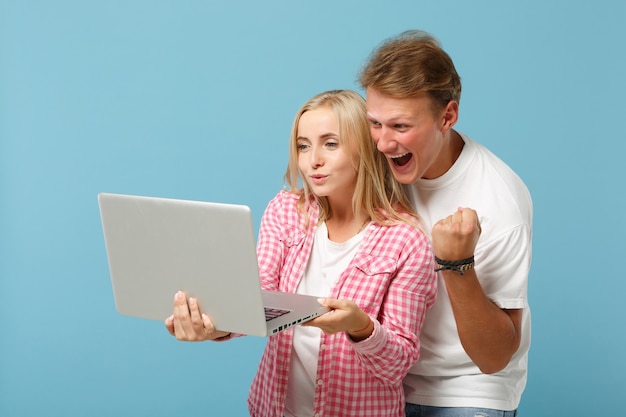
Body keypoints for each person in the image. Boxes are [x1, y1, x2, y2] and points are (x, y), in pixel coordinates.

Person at [164, 89, 438, 417]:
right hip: (275, 408)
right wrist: (214, 326)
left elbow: (397, 363)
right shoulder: (285, 211)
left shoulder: (407, 240)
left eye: (330, 143)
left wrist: (360, 325)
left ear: (364, 148)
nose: (313, 160)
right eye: (303, 145)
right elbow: (256, 302)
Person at [358, 30, 533, 417]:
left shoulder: (498, 200)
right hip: (384, 380)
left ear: (447, 116)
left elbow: (494, 358)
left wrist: (456, 265)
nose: (384, 143)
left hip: (466, 392)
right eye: (375, 123)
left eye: (401, 126)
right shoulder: (375, 170)